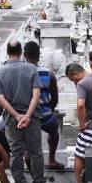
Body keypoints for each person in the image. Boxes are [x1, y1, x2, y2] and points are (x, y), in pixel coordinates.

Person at [0, 40, 48, 183]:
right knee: (36, 151)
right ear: (20, 52)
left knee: (16, 152)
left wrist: (17, 115)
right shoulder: (31, 68)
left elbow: (0, 98)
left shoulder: (0, 72)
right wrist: (28, 115)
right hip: (32, 117)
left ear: (8, 52)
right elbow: (36, 95)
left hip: (12, 119)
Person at [22, 41, 64, 171]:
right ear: (39, 55)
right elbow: (54, 97)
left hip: (25, 115)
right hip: (45, 114)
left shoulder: (20, 73)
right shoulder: (48, 74)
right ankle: (51, 159)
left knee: (28, 147)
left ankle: (32, 172)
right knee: (54, 131)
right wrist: (49, 109)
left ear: (24, 55)